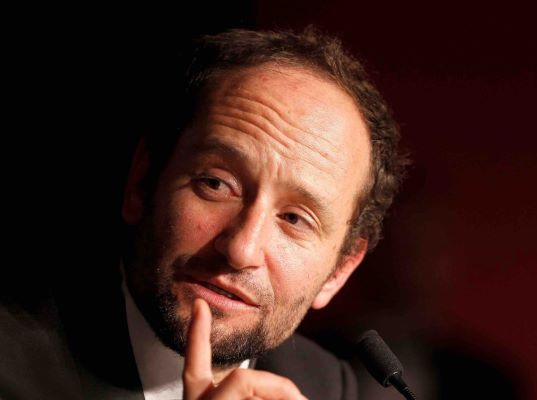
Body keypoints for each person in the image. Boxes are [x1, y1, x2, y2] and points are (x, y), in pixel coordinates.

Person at [1, 27, 408, 400]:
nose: (241, 250)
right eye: (216, 184)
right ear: (142, 182)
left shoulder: (326, 386)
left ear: (338, 272)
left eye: (294, 219)